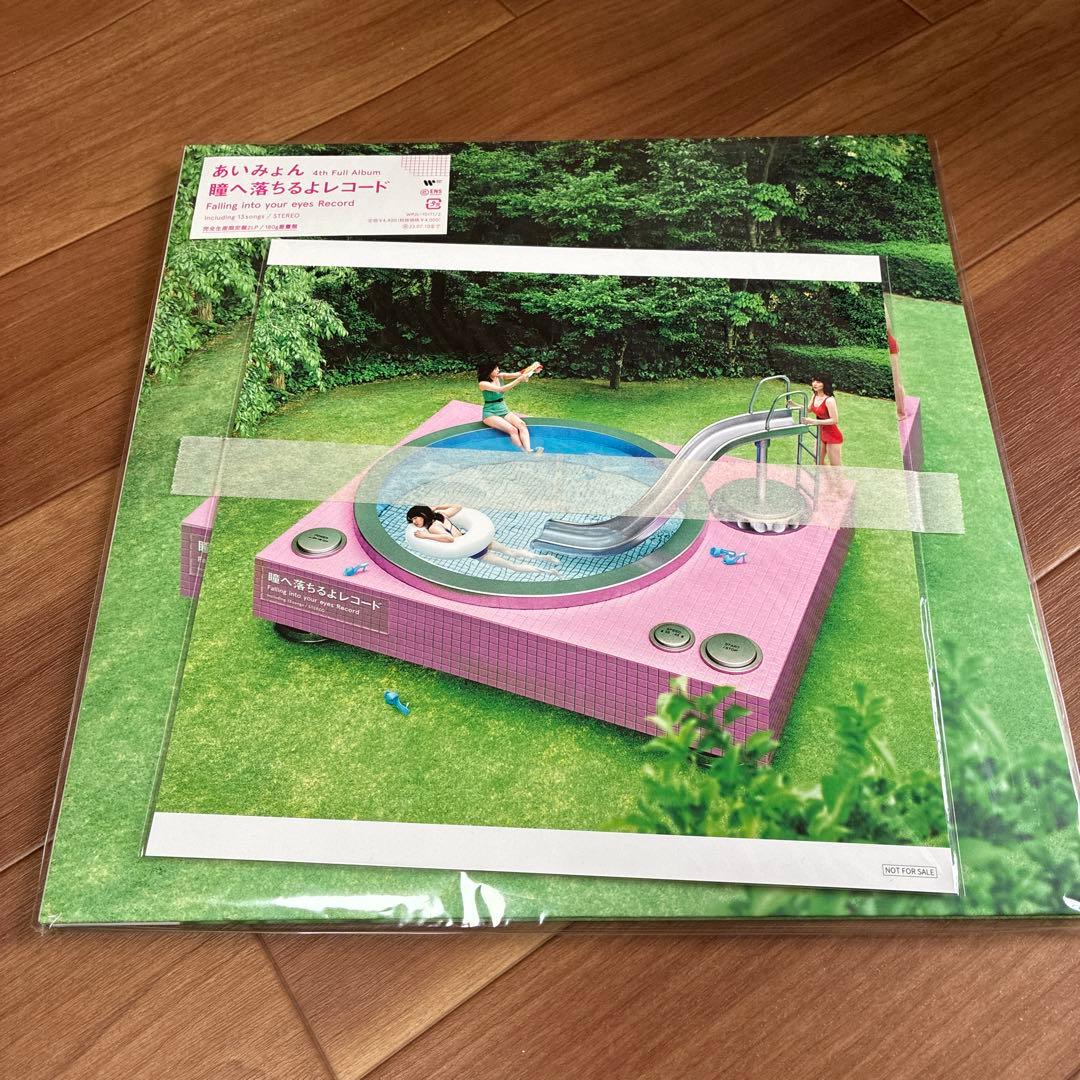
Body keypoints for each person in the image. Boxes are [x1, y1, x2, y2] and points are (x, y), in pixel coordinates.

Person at [405, 505, 561, 575]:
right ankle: (544, 558)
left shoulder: (432, 527)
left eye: (415, 518)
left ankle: (548, 572)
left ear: (423, 514)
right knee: (511, 552)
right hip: (477, 539)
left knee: (512, 566)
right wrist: (437, 507)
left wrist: (426, 536)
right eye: (412, 521)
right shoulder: (441, 515)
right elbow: (457, 506)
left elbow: (448, 539)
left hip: (476, 551)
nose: (415, 522)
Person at [477, 360, 543, 453]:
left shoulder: (500, 376)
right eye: (495, 369)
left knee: (522, 425)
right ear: (488, 370)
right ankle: (523, 452)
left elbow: (519, 373)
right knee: (513, 430)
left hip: (503, 409)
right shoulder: (483, 384)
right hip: (490, 413)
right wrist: (519, 380)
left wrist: (533, 369)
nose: (498, 370)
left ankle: (529, 450)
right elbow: (501, 389)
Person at [805, 375, 843, 466]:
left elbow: (835, 420)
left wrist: (814, 421)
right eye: (814, 381)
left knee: (835, 467)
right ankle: (827, 476)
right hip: (821, 433)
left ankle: (835, 476)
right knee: (818, 461)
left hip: (832, 435)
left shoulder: (829, 400)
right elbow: (808, 409)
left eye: (818, 382)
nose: (814, 384)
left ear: (825, 384)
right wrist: (793, 405)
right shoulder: (815, 395)